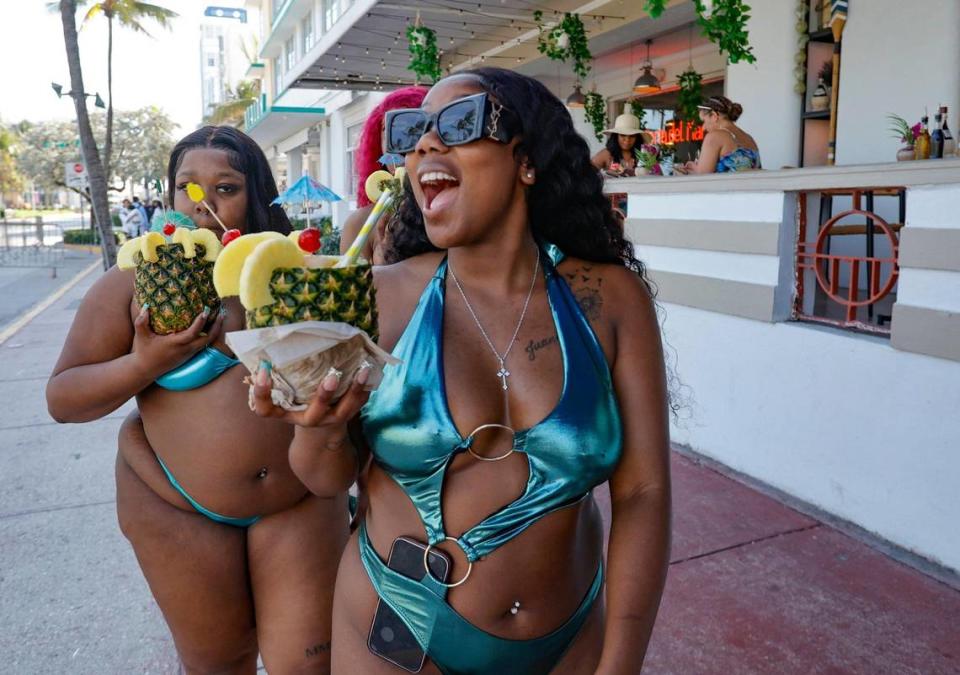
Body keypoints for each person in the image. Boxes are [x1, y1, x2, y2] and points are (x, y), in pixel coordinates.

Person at [257, 67, 672, 673]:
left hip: (572, 638)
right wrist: (315, 427)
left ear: (525, 159)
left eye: (458, 123)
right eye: (412, 131)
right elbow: (324, 479)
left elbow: (643, 492)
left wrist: (621, 660)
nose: (426, 143)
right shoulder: (378, 301)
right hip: (402, 622)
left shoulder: (607, 300)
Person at [47, 126, 356, 675]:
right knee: (219, 665)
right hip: (178, 510)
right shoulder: (132, 285)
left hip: (297, 502)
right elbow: (64, 398)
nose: (203, 205)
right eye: (186, 189)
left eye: (225, 188)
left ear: (257, 197)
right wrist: (144, 364)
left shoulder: (297, 276)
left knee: (307, 666)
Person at [340, 86, 429, 265]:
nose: (399, 140)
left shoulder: (451, 213)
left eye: (411, 126)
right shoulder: (361, 223)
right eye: (387, 129)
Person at [678, 95, 761, 174]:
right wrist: (696, 168)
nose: (703, 127)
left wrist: (686, 172)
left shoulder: (715, 136)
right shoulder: (749, 138)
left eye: (704, 121)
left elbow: (702, 179)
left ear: (714, 115)